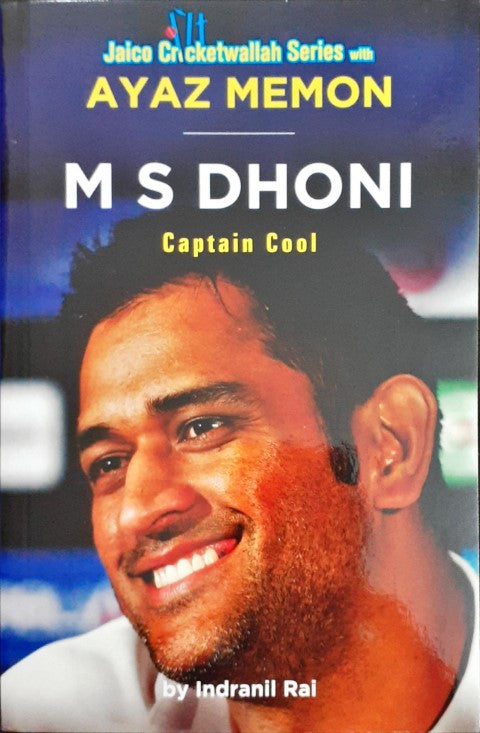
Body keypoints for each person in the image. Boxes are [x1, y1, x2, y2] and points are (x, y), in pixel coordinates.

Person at [2, 211, 478, 733]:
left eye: (201, 427)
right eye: (109, 463)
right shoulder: (40, 716)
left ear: (390, 446)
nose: (136, 512)